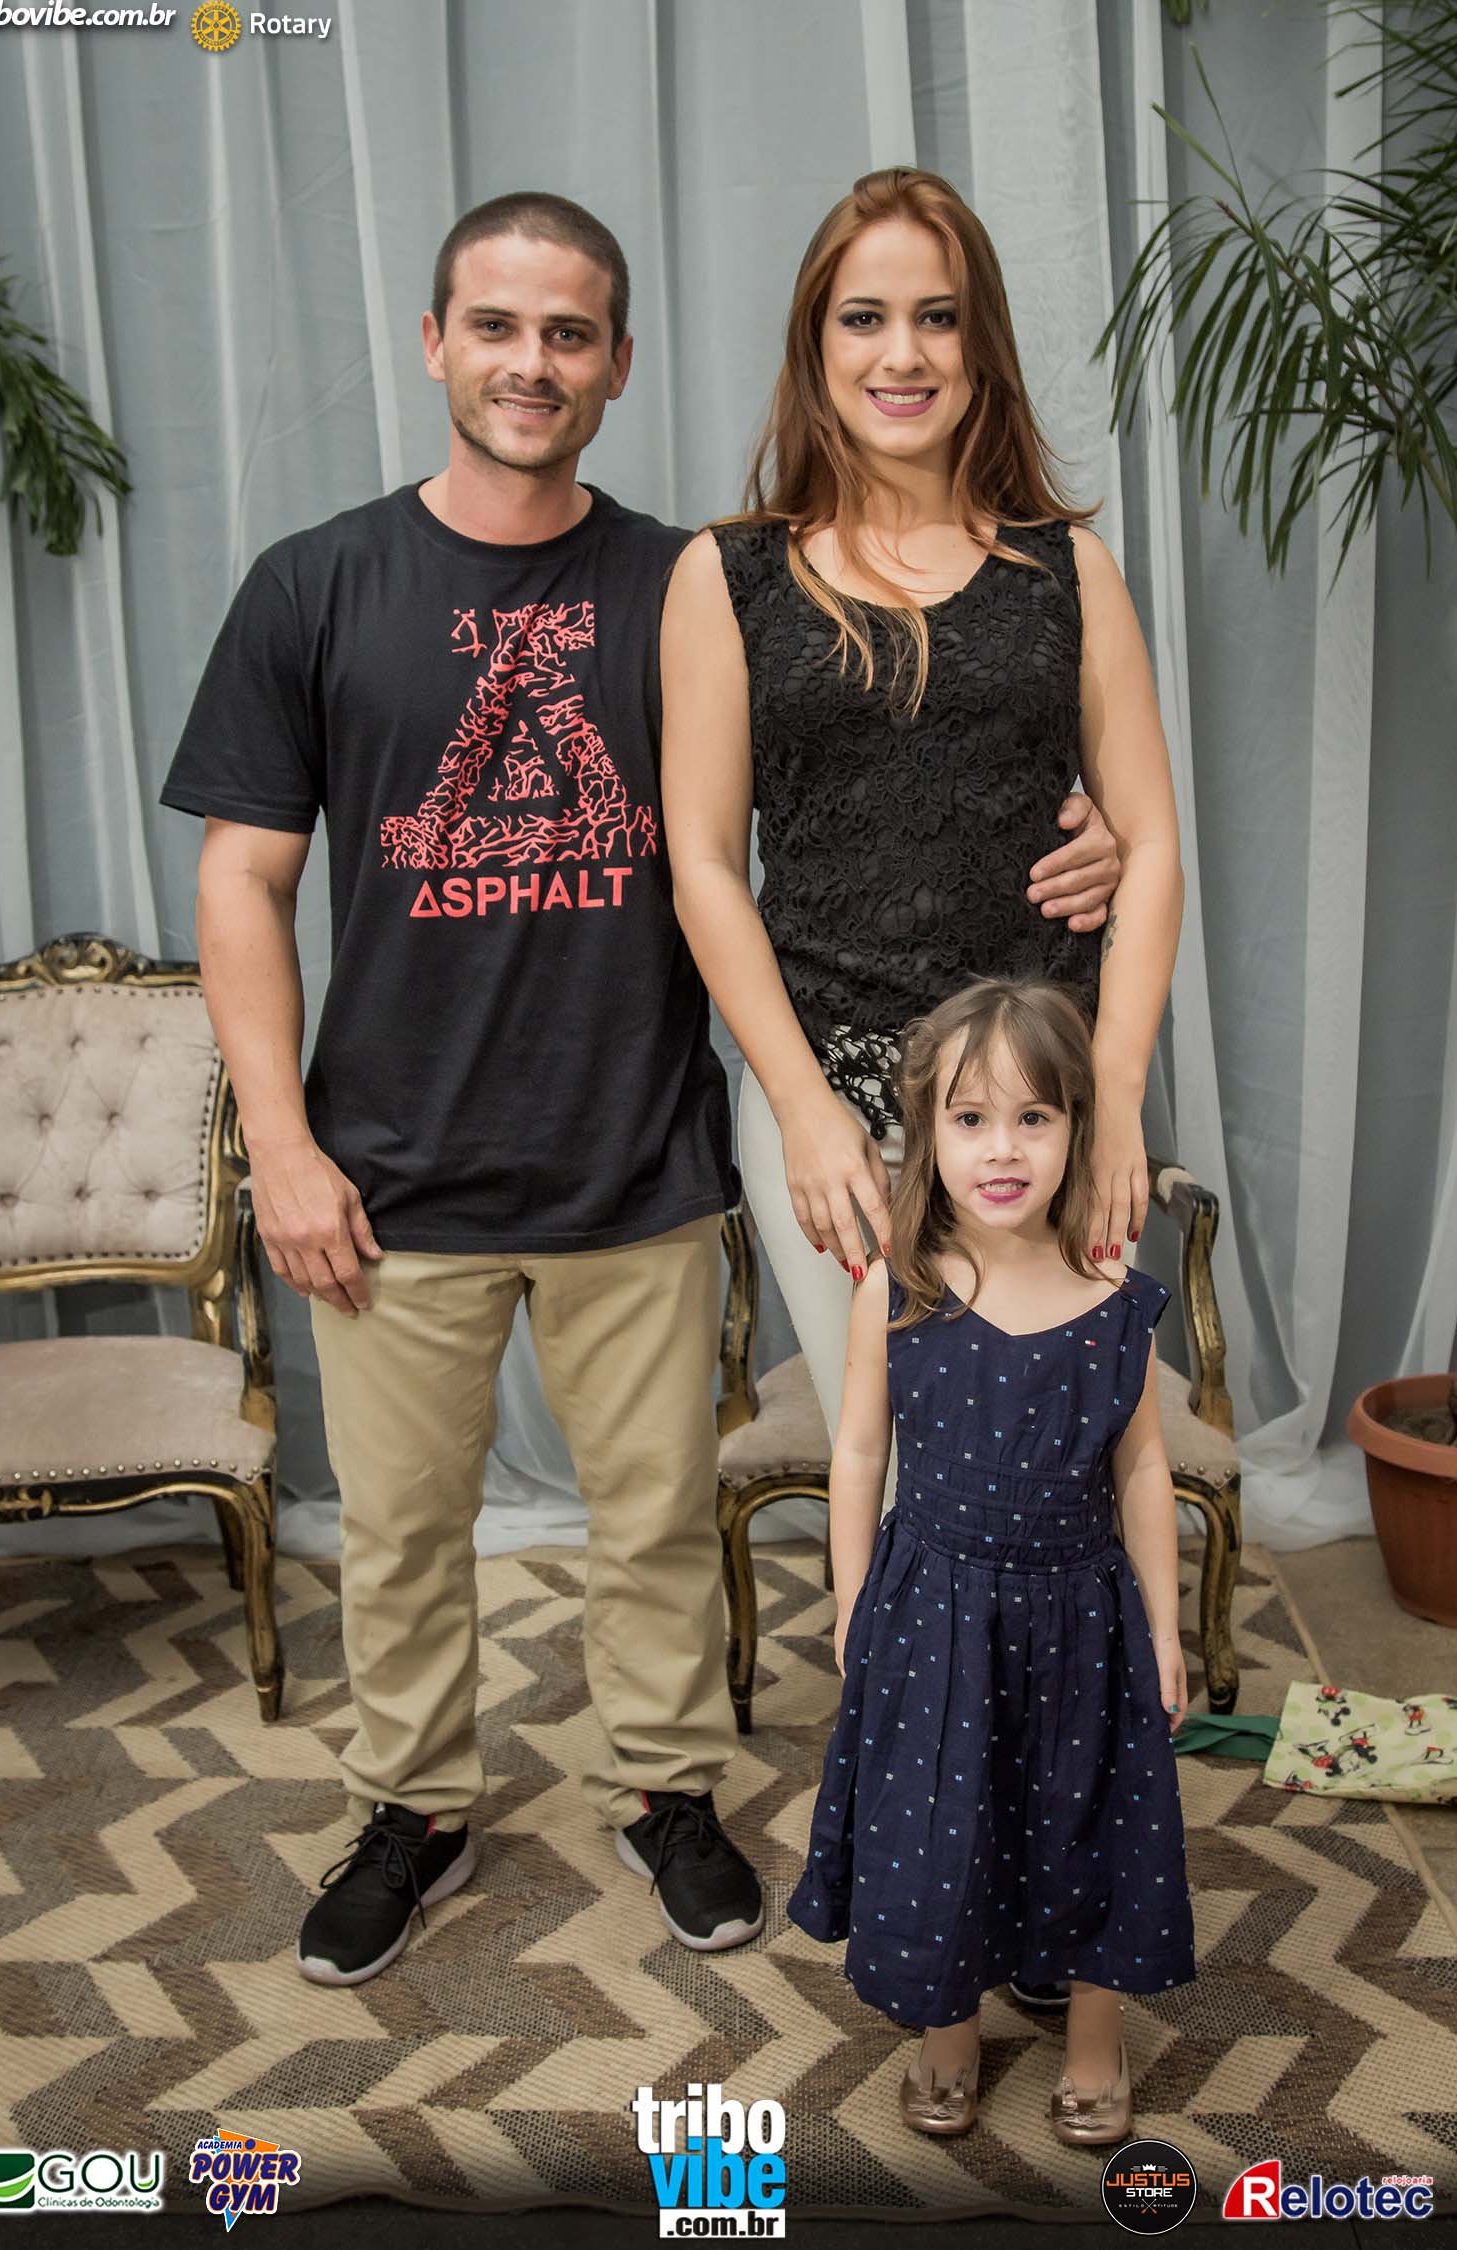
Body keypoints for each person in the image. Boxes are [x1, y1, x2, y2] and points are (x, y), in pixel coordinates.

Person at [161, 191, 768, 1985]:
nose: (530, 362)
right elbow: (242, 882)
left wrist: (1077, 818)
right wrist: (280, 1148)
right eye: (496, 325)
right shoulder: (315, 584)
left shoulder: (685, 586)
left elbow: (850, 778)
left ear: (619, 364)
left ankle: (666, 1787)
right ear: (435, 341)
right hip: (386, 1170)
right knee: (404, 1534)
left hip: (633, 1151)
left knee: (653, 1522)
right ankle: (413, 1809)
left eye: (568, 333)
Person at [661, 165, 1179, 2012]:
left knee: (1063, 1480)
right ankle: (935, 1861)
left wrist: (1119, 1099)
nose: (903, 351)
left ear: (982, 345)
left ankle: (1061, 1867)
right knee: (924, 1492)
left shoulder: (1066, 569)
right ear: (817, 345)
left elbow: (1151, 843)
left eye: (937, 315)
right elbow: (704, 862)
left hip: (1039, 1108)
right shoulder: (728, 573)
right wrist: (806, 1108)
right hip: (842, 1096)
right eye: (865, 315)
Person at [786, 977, 1195, 2146]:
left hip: (1082, 1616)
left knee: (1092, 1822)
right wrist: (853, 1603)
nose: (1003, 1149)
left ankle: (1095, 2041)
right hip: (936, 1611)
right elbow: (859, 1452)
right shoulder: (900, 1288)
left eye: (1034, 1118)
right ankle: (948, 2029)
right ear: (929, 1132)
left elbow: (1142, 1473)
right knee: (941, 1828)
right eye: (970, 1119)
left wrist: (1164, 1628)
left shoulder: (1113, 1299)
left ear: (1078, 1129)